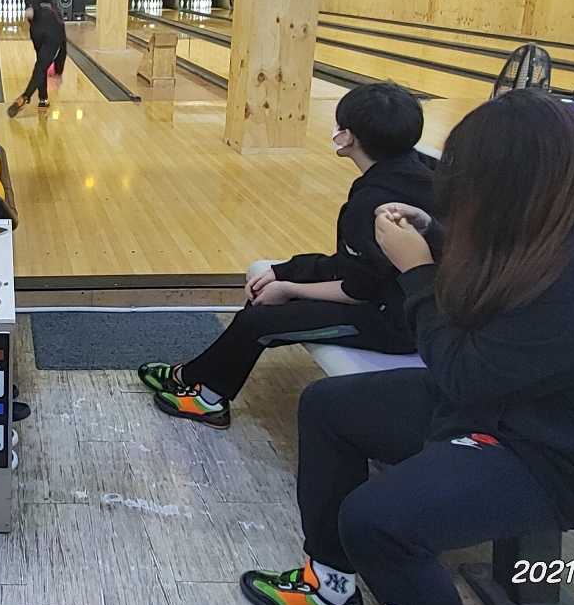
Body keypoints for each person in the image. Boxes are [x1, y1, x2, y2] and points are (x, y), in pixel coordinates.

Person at [239, 90, 574, 605]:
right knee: (327, 407)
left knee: (377, 521)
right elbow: (496, 294)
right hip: (513, 403)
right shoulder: (566, 223)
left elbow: (461, 373)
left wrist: (417, 271)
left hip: (564, 459)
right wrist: (434, 233)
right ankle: (328, 586)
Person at [139, 83, 437, 429]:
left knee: (260, 321)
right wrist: (283, 272)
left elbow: (357, 289)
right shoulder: (415, 174)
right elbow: (355, 267)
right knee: (268, 292)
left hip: (395, 325)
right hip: (396, 299)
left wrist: (289, 288)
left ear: (347, 139)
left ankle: (208, 400)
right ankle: (193, 376)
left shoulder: (370, 204)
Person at [7, 0, 67, 117]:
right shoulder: (55, 11)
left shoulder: (35, 9)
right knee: (41, 66)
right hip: (53, 31)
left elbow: (30, 14)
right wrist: (59, 70)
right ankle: (25, 96)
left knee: (41, 65)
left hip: (36, 29)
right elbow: (63, 45)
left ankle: (43, 99)